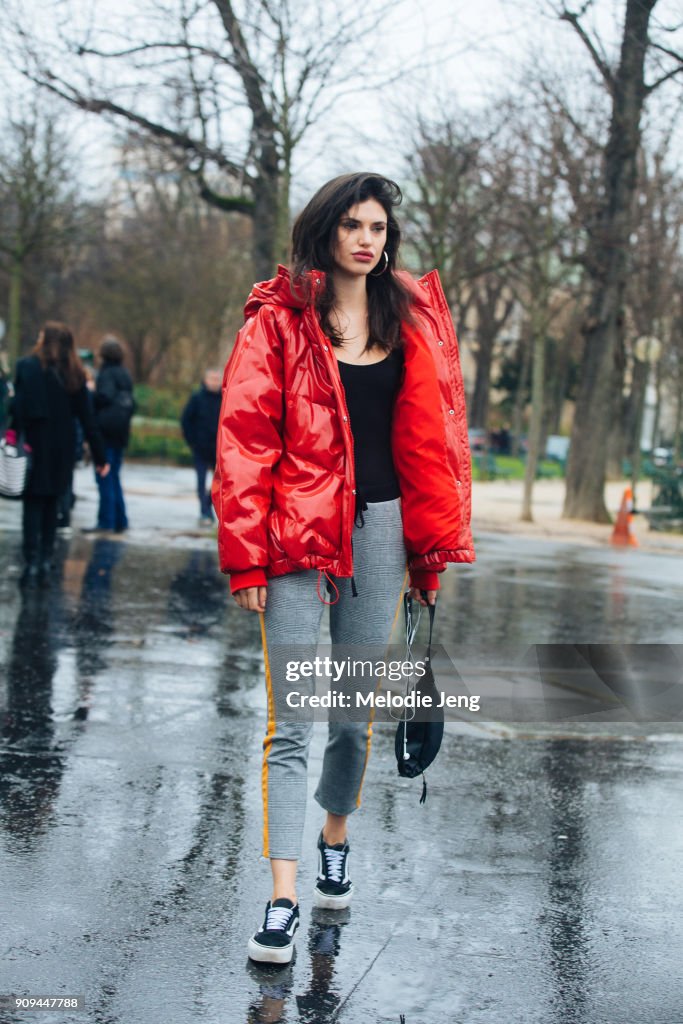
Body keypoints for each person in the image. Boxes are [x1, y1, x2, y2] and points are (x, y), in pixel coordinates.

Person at [212, 172, 474, 965]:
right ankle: (283, 897)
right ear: (326, 231)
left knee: (349, 718)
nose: (368, 239)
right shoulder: (280, 321)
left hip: (384, 532)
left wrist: (428, 552)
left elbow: (435, 442)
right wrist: (246, 561)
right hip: (296, 534)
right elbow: (244, 441)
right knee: (289, 720)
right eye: (354, 225)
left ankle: (335, 838)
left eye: (379, 227)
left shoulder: (413, 316)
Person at [9, 322, 109, 585]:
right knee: (53, 505)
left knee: (32, 506)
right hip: (62, 448)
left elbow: (16, 409)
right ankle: (44, 562)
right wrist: (100, 457)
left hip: (32, 445)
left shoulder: (26, 366)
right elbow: (88, 420)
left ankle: (30, 562)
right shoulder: (75, 373)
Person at [84, 336, 135, 535]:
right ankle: (120, 519)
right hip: (120, 433)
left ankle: (106, 521)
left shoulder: (106, 374)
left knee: (104, 476)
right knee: (114, 476)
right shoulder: (125, 374)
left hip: (105, 433)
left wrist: (90, 392)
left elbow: (104, 397)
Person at [180, 367, 222, 525]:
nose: (214, 382)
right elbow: (186, 420)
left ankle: (208, 504)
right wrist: (192, 441)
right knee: (200, 480)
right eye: (212, 379)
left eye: (217, 379)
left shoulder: (224, 398)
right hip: (200, 447)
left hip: (218, 449)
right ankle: (205, 513)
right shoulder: (197, 398)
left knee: (218, 482)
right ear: (205, 380)